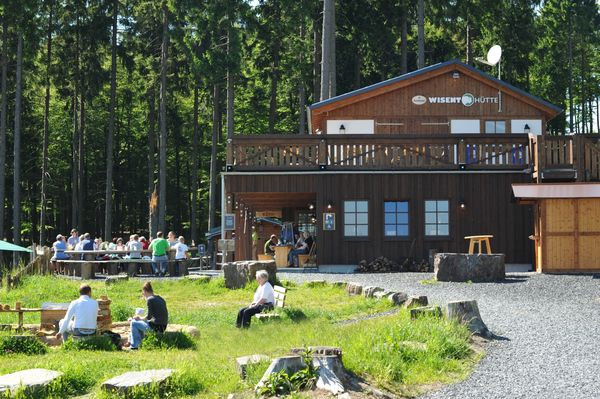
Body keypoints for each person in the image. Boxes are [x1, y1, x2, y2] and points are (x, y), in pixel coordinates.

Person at [128, 282, 169, 349]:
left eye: (143, 293)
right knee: (138, 322)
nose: (143, 295)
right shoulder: (160, 298)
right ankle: (140, 342)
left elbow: (149, 316)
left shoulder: (149, 299)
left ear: (145, 291)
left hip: (156, 328)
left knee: (133, 323)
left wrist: (139, 318)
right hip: (163, 327)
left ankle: (134, 346)